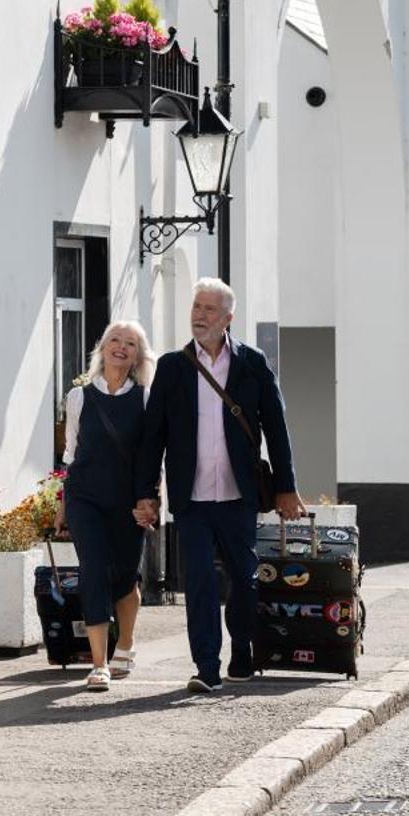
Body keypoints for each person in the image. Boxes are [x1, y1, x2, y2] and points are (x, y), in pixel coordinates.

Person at [134, 277, 303, 693]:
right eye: (196, 307)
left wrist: (286, 486)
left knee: (245, 579)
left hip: (237, 493)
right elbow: (153, 435)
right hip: (191, 497)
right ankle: (206, 666)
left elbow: (276, 428)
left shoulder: (252, 363)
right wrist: (147, 493)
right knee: (200, 583)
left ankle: (241, 645)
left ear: (228, 317)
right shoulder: (173, 367)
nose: (199, 316)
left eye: (209, 309)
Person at [61, 320, 152, 693]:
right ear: (102, 347)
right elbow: (70, 453)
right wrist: (63, 502)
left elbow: (152, 456)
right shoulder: (79, 396)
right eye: (114, 339)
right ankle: (99, 664)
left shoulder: (145, 398)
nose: (120, 347)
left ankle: (125, 645)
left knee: (125, 578)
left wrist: (150, 499)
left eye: (129, 343)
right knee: (93, 570)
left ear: (136, 355)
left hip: (129, 501)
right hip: (86, 497)